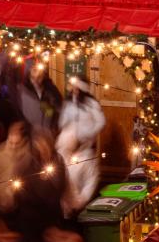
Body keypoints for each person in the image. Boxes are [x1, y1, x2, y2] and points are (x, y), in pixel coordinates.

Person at [56, 76, 106, 216]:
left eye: (77, 88)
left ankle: (81, 204)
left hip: (85, 146)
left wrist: (87, 134)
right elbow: (62, 121)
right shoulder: (68, 103)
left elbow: (101, 122)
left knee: (85, 172)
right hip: (68, 146)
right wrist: (67, 131)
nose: (74, 90)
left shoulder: (91, 104)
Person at [19, 63, 63, 137]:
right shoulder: (24, 91)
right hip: (30, 131)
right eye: (33, 78)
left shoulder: (50, 90)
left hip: (48, 130)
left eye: (39, 77)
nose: (36, 80)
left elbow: (57, 107)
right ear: (29, 77)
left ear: (43, 77)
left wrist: (46, 108)